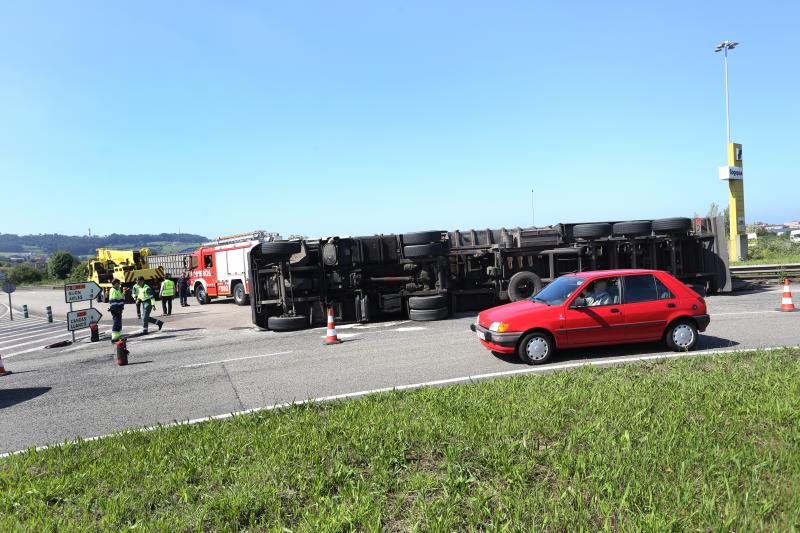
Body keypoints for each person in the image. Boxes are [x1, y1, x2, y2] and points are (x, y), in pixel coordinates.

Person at [108, 279, 125, 344]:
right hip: (116, 309)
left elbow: (120, 299)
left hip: (118, 309)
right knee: (116, 323)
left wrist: (123, 295)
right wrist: (117, 309)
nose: (119, 285)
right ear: (115, 284)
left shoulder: (117, 290)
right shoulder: (113, 290)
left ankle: (117, 337)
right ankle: (114, 339)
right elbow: (114, 301)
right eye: (118, 283)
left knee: (118, 323)